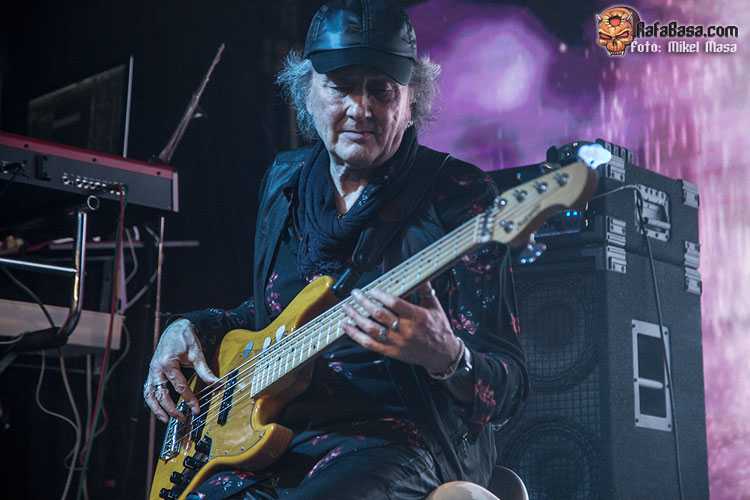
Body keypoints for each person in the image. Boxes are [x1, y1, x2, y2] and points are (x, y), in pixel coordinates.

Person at [143, 1, 528, 498]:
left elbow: (511, 386)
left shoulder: (459, 195)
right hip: (273, 438)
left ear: (411, 100)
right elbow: (270, 315)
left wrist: (448, 357)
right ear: (306, 93)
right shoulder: (284, 181)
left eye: (381, 90)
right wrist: (191, 327)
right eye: (340, 86)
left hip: (398, 442)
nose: (360, 109)